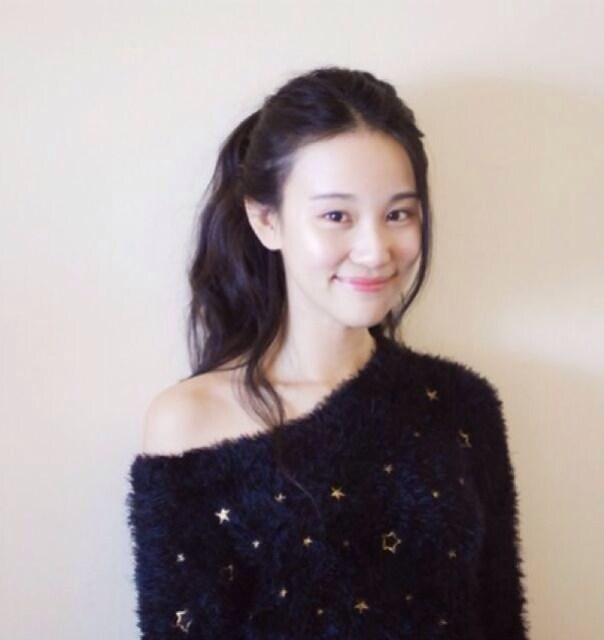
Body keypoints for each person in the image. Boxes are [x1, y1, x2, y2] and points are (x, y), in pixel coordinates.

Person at [126, 65, 531, 639]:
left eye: (398, 213)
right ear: (266, 220)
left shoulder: (462, 404)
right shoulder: (188, 422)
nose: (375, 250)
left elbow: (499, 617)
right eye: (336, 216)